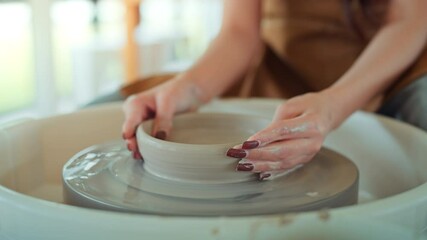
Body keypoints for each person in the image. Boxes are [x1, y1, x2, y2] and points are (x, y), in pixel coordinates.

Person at [122, 0, 427, 180]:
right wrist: (186, 89)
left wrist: (332, 107)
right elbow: (239, 32)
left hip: (389, 71)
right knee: (120, 110)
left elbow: (408, 22)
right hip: (281, 70)